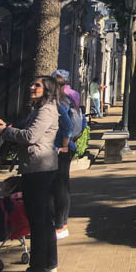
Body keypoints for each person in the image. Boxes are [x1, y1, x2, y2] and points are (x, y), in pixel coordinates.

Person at [0, 76, 59, 272]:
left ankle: (36, 269)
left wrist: (6, 132)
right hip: (38, 168)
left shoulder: (46, 110)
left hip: (38, 168)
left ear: (47, 89)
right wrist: (8, 127)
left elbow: (31, 135)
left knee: (37, 220)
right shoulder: (39, 109)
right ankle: (49, 263)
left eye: (37, 85)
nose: (32, 87)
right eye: (32, 84)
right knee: (44, 218)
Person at [51, 95, 75, 240]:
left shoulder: (58, 105)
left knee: (60, 188)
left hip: (60, 150)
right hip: (61, 149)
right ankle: (60, 224)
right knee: (61, 187)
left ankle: (60, 225)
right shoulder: (67, 101)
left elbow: (68, 126)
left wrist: (64, 146)